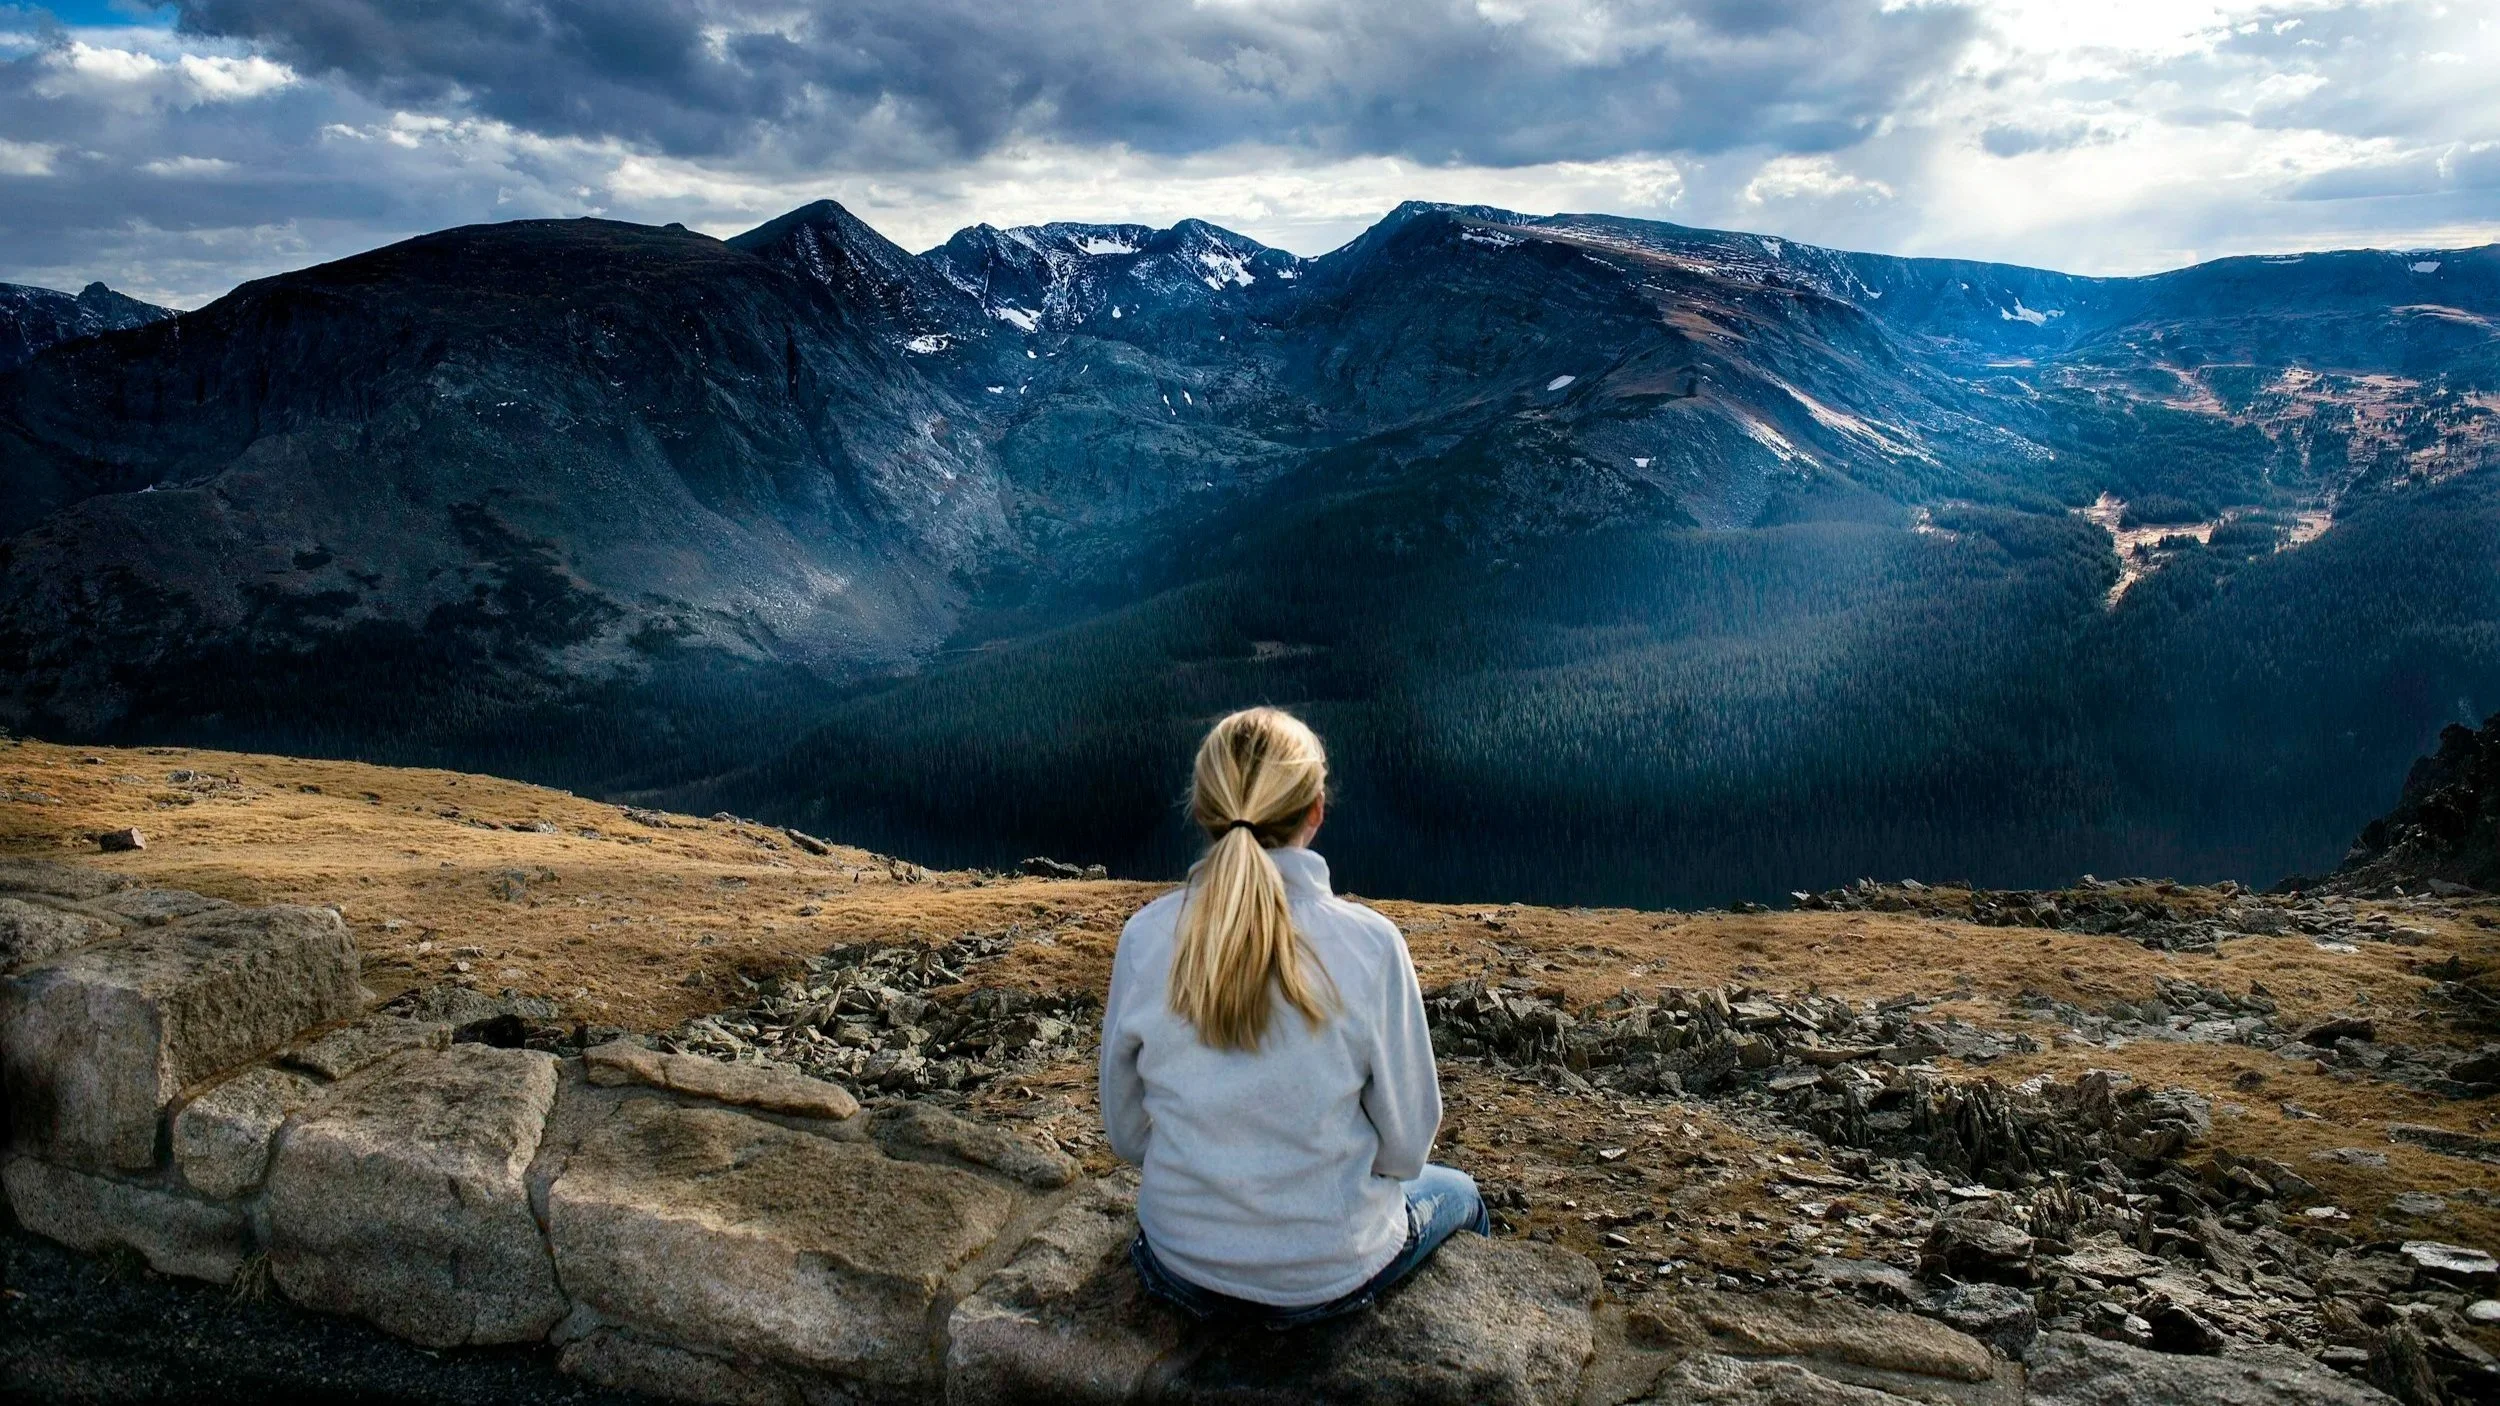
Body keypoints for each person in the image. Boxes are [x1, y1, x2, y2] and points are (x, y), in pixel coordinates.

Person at [1098, 706, 1486, 1329]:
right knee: (1462, 1193)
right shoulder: (1370, 945)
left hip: (1179, 1260)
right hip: (1328, 1272)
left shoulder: (1146, 939)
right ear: (1315, 811)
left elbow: (1127, 1135)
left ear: (1204, 810)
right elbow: (1408, 1148)